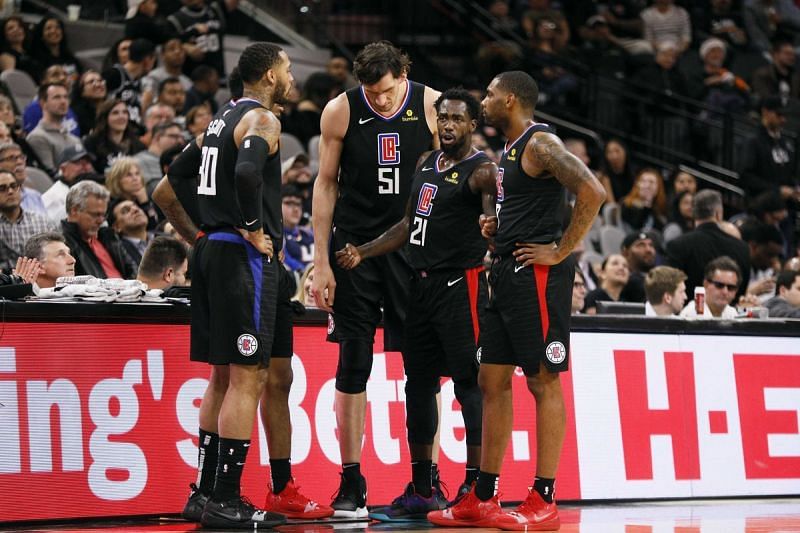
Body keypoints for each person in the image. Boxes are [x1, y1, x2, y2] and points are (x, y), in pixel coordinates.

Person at [429, 70, 605, 530]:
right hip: (505, 271)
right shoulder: (508, 151)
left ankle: (544, 497)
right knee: (491, 381)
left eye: (487, 95)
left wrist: (562, 249)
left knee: (543, 382)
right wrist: (497, 229)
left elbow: (593, 190)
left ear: (509, 100)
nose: (481, 101)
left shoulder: (540, 144)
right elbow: (527, 205)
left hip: (539, 275)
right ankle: (484, 494)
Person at [156, 42, 306, 529]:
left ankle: (202, 495)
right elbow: (246, 173)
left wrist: (201, 236)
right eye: (285, 70)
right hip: (243, 259)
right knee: (249, 376)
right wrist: (250, 226)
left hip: (210, 252)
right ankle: (225, 498)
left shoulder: (219, 121)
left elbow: (166, 188)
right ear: (268, 75)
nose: (289, 78)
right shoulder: (263, 120)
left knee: (222, 376)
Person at [335, 88, 497, 521]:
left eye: (456, 119)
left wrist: (492, 228)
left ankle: (476, 486)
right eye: (442, 117)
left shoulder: (483, 170)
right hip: (419, 286)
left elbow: (494, 218)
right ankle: (424, 486)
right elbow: (408, 224)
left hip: (460, 286)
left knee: (469, 385)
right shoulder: (426, 164)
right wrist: (364, 251)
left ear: (473, 124)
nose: (447, 125)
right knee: (418, 384)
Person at [310, 40, 441, 518]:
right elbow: (325, 184)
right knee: (353, 361)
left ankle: (425, 480)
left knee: (422, 367)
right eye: (372, 92)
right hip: (355, 250)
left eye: (386, 91)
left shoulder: (431, 105)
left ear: (403, 75)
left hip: (413, 248)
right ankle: (351, 482)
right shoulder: (340, 110)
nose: (380, 100)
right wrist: (321, 261)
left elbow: (450, 179)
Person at [666, 189, 750, 298]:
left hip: (688, 313)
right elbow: (741, 290)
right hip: (730, 313)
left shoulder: (677, 245)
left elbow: (672, 288)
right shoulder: (742, 247)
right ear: (718, 214)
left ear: (694, 213)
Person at [61, 180, 137, 279]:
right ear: (74, 210)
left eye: (103, 215)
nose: (101, 221)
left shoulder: (108, 236)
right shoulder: (63, 245)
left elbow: (133, 272)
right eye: (95, 215)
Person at [0, 170, 55, 272]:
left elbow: (56, 255)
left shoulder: (42, 222)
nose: (10, 191)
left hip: (42, 277)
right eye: (2, 188)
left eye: (14, 186)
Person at [26, 82, 81, 174]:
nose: (63, 101)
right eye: (57, 97)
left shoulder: (73, 138)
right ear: (43, 103)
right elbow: (50, 174)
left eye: (65, 97)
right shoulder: (37, 137)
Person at [84, 99, 147, 174]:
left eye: (125, 112)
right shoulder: (91, 143)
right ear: (105, 117)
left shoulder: (137, 145)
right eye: (115, 113)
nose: (121, 117)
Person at [42, 143, 97, 223]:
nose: (86, 167)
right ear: (63, 169)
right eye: (78, 163)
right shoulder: (53, 197)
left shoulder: (94, 190)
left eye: (87, 162)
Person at [280, 184, 313, 274]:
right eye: (289, 203)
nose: (295, 209)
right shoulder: (277, 236)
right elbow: (285, 260)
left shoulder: (311, 234)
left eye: (298, 204)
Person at [620, 230, 657, 302]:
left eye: (651, 245)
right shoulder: (622, 281)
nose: (648, 250)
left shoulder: (658, 278)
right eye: (641, 245)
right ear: (625, 253)